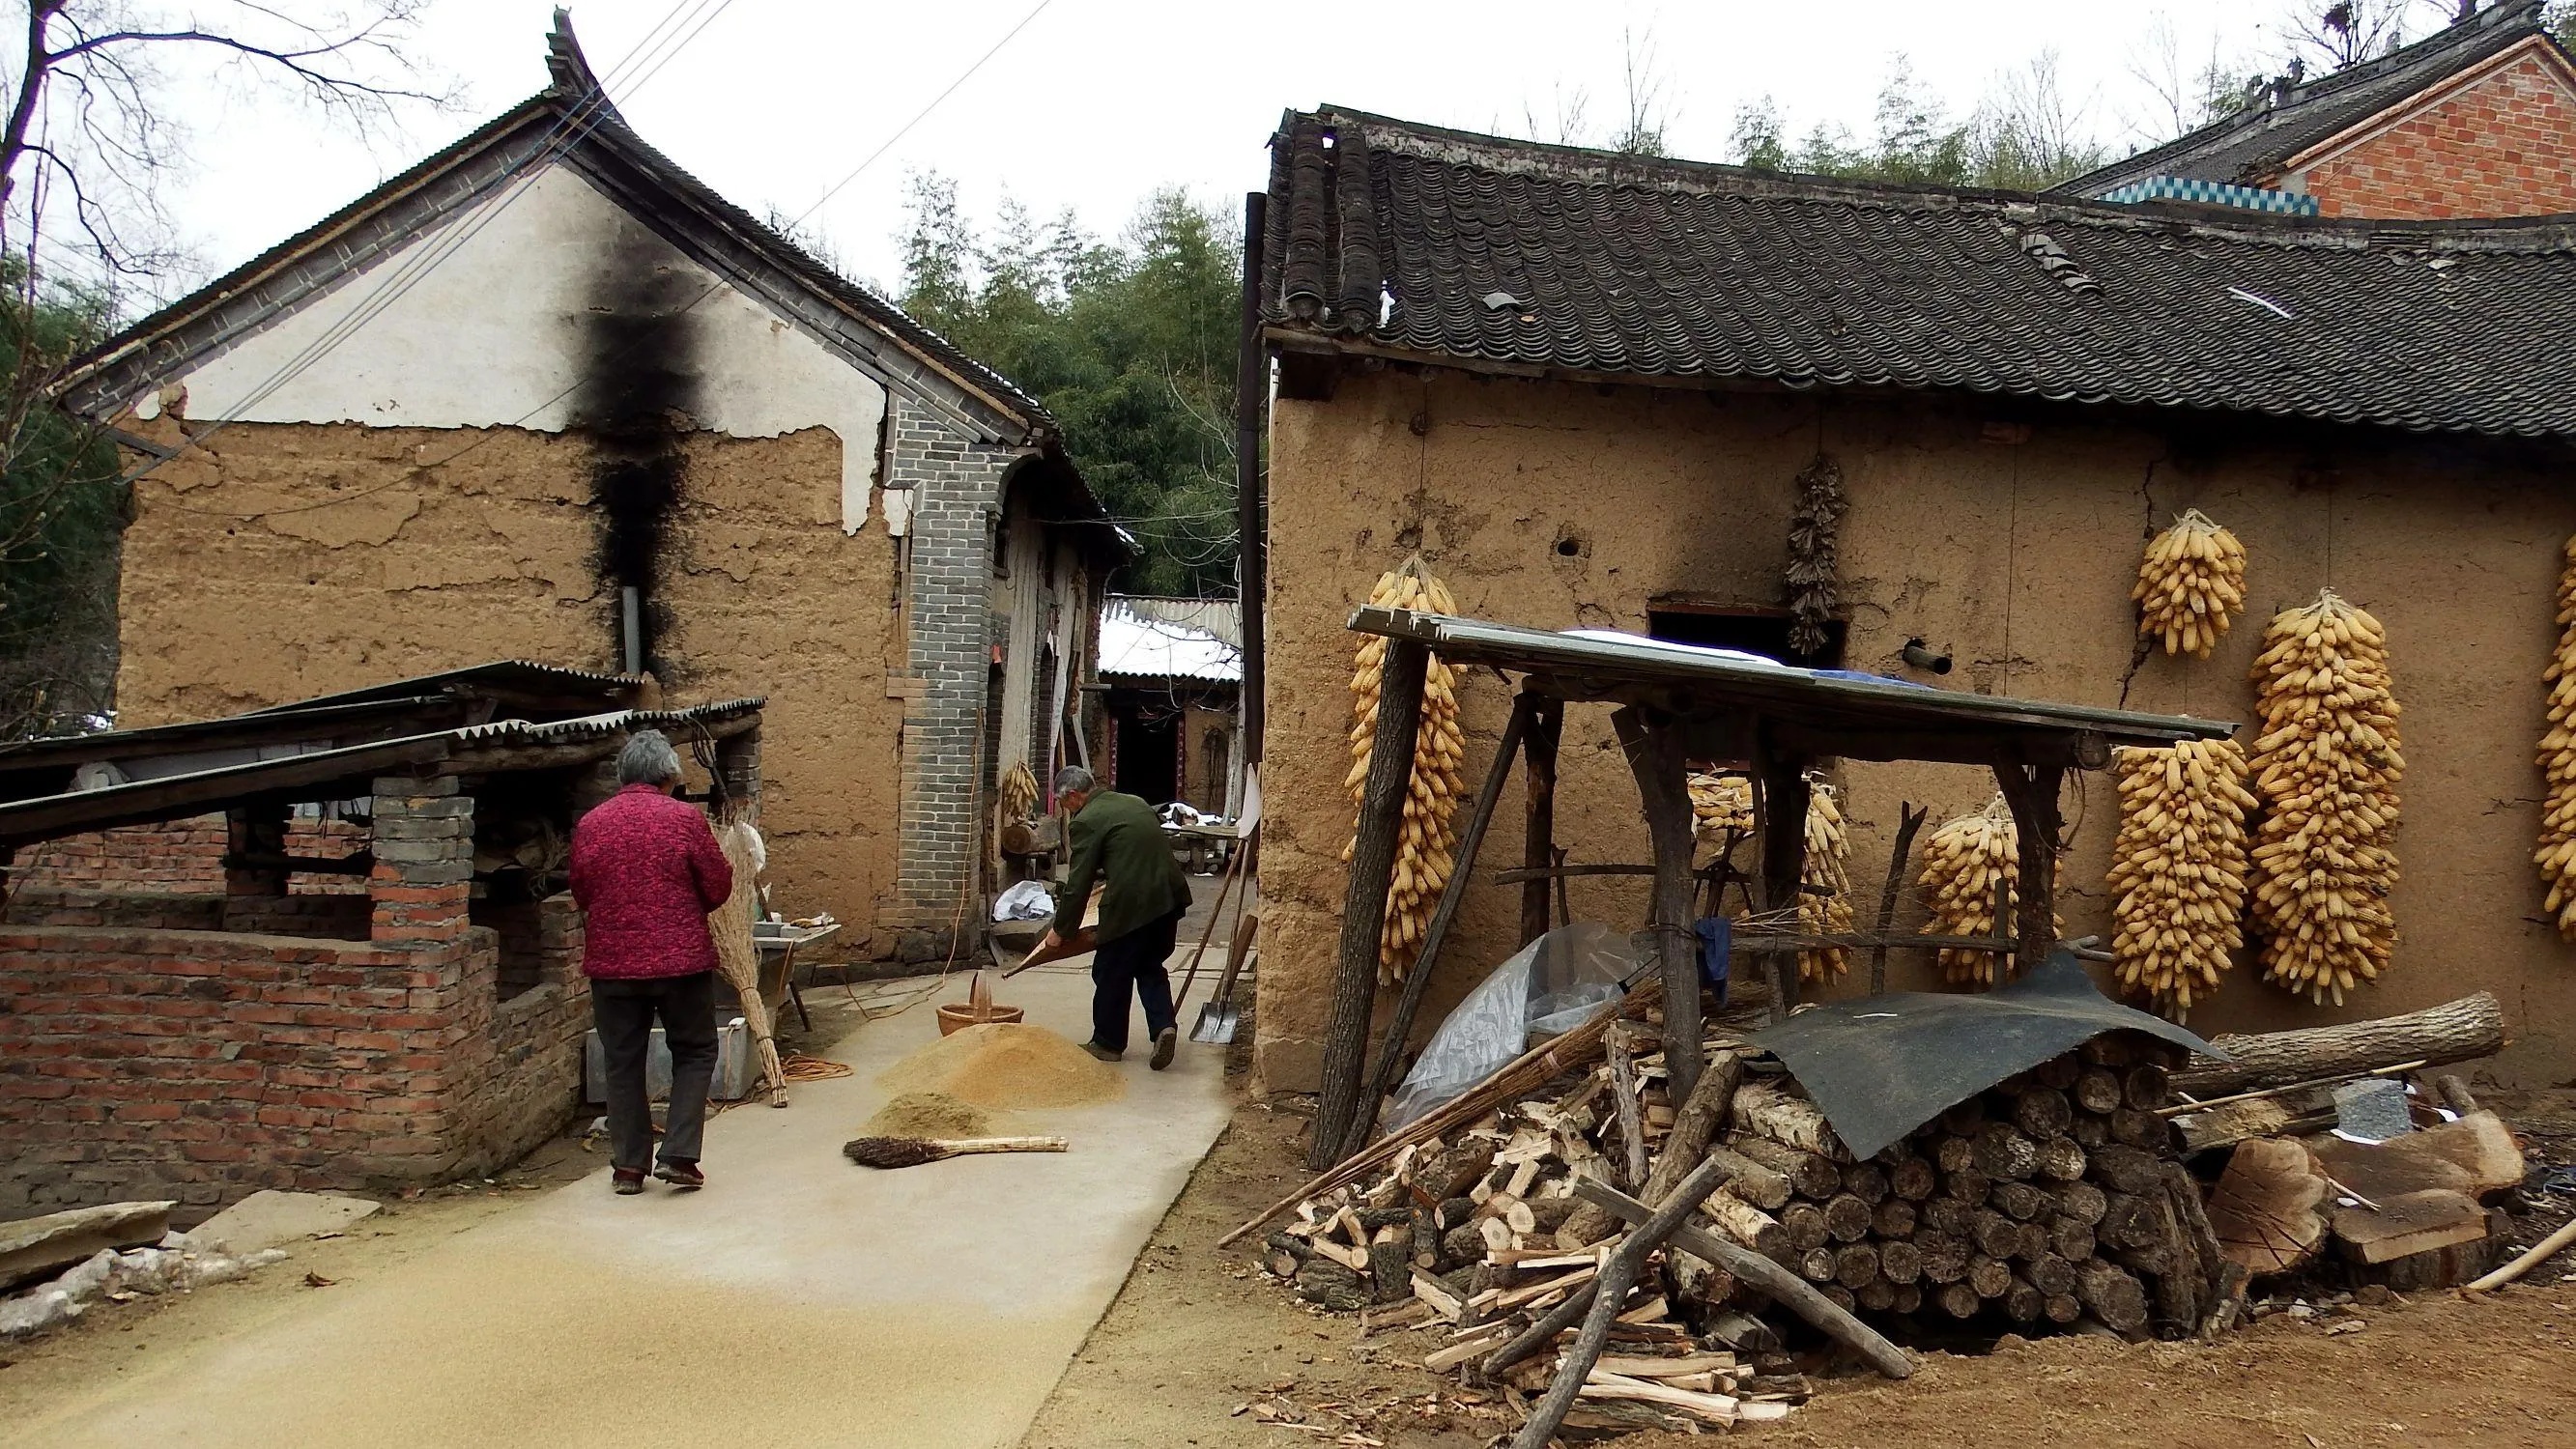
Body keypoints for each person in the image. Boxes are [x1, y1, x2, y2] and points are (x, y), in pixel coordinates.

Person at [569, 729, 733, 1195]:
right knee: (696, 1051)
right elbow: (718, 888)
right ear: (668, 775)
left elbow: (581, 891)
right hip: (682, 966)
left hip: (612, 966)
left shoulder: (593, 823)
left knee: (622, 1062)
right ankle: (679, 1157)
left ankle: (627, 1168)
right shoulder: (684, 819)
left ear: (623, 775)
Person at [1042, 765, 1193, 1068]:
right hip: (1167, 897)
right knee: (1149, 964)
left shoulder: (1086, 820)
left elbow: (1078, 882)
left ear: (1073, 795)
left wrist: (1061, 930)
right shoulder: (1134, 802)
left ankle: (1107, 1043)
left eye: (1063, 802)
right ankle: (1164, 1026)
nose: (1065, 809)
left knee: (1111, 970)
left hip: (1131, 904)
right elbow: (1132, 849)